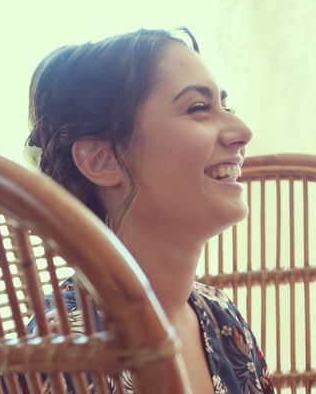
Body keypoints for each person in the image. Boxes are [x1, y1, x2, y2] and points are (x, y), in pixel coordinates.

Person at [25, 28, 275, 394]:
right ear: (101, 159)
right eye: (198, 108)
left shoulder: (217, 313)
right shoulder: (66, 346)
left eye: (226, 107)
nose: (242, 131)